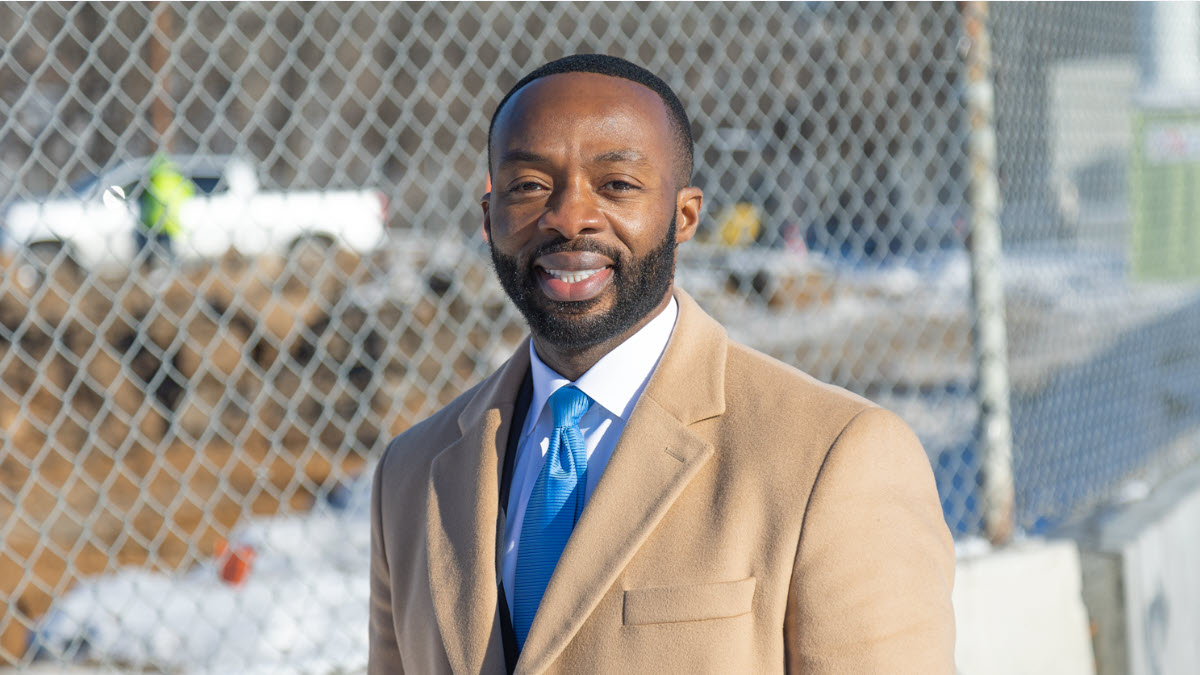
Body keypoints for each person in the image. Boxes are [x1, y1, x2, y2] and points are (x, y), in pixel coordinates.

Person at [370, 54, 955, 674]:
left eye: (616, 185)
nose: (570, 217)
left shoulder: (835, 458)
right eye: (529, 186)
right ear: (490, 220)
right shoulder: (411, 476)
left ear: (685, 217)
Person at [136, 154, 193, 269]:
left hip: (155, 220)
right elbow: (189, 192)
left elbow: (146, 198)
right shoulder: (177, 176)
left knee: (155, 250)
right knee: (169, 249)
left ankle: (157, 269)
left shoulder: (153, 178)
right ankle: (173, 268)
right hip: (172, 220)